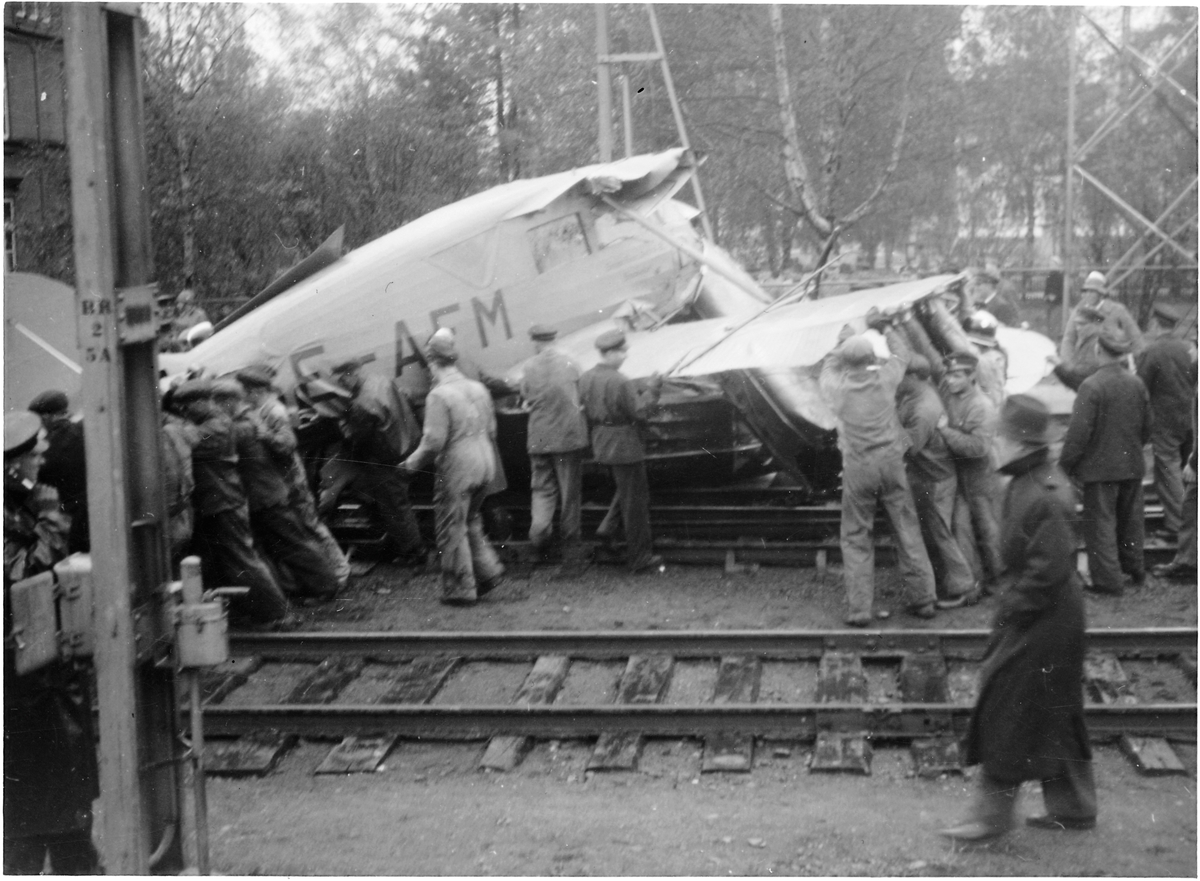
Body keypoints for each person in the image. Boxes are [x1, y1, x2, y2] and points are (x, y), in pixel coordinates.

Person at [940, 394, 1096, 842]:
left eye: (1000, 437)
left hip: (1044, 617)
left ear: (1019, 443)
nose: (995, 443)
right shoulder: (1031, 481)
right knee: (1056, 709)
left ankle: (991, 817)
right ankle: (1075, 807)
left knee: (1008, 706)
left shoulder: (1044, 493)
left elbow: (1047, 572)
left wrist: (1009, 608)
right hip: (1049, 613)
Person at [4, 411, 101, 874]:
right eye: (35, 455)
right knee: (35, 798)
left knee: (63, 792)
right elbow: (19, 578)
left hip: (44, 671)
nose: (43, 459)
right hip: (21, 675)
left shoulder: (20, 504)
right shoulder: (15, 513)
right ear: (13, 465)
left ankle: (75, 862)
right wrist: (51, 521)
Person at [818, 324, 938, 626]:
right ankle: (924, 599)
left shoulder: (836, 388)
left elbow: (829, 366)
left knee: (856, 536)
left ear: (846, 362)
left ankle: (860, 609)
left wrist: (842, 341)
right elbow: (902, 353)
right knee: (907, 530)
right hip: (891, 464)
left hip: (858, 468)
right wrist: (886, 327)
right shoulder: (886, 379)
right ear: (873, 358)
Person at [170, 380, 292, 626]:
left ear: (204, 401)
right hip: (216, 502)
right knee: (219, 560)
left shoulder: (217, 426)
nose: (184, 412)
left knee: (242, 558)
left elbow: (186, 438)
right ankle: (239, 608)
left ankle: (277, 612)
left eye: (187, 406)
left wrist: (166, 421)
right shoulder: (210, 422)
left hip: (225, 502)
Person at [212, 380, 343, 601]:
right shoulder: (252, 418)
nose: (217, 409)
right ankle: (312, 585)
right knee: (290, 543)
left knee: (294, 544)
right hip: (270, 492)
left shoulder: (241, 427)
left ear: (229, 401)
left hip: (265, 496)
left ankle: (325, 586)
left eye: (218, 404)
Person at [402, 329, 505, 605]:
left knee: (451, 526)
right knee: (470, 519)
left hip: (459, 465)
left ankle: (461, 589)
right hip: (486, 460)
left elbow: (434, 442)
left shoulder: (439, 395)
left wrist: (410, 464)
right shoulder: (478, 388)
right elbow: (492, 429)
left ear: (431, 362)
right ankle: (488, 571)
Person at [1059, 327, 1151, 596]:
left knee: (1101, 525)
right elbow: (1148, 426)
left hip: (1100, 470)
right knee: (1131, 522)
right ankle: (1135, 569)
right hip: (1132, 465)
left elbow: (1078, 434)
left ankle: (1108, 582)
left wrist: (1065, 467)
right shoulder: (1137, 383)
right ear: (1122, 354)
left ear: (1098, 350)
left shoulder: (1091, 386)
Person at [895, 355, 979, 609]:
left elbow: (910, 446)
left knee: (941, 532)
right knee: (936, 531)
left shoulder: (923, 408)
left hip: (936, 479)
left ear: (912, 377)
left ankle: (965, 586)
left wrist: (885, 435)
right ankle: (952, 582)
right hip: (931, 475)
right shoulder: (920, 393)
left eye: (900, 375)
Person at [578, 329, 665, 574]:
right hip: (624, 445)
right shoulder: (620, 380)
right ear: (610, 353)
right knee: (635, 501)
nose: (625, 356)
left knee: (628, 490)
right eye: (622, 352)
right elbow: (640, 412)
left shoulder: (586, 377)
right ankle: (640, 558)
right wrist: (652, 389)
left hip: (602, 441)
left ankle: (607, 528)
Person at [325, 357, 426, 565]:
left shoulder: (362, 403)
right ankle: (407, 545)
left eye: (342, 380)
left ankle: (414, 552)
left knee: (394, 506)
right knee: (400, 502)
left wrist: (343, 423)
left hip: (386, 459)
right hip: (407, 445)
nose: (343, 385)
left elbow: (356, 437)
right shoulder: (381, 380)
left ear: (352, 374)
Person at [519, 323, 590, 573]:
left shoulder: (528, 367)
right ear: (555, 338)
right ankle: (571, 547)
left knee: (541, 490)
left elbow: (526, 396)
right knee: (569, 493)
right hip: (568, 438)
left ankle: (538, 536)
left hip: (539, 439)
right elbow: (583, 393)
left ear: (535, 342)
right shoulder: (571, 361)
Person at [939, 350, 1004, 590]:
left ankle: (1001, 583)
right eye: (949, 375)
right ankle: (973, 584)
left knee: (990, 531)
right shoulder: (950, 396)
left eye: (957, 375)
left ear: (972, 376)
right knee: (962, 529)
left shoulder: (981, 406)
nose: (950, 380)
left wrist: (945, 431)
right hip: (961, 476)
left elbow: (977, 447)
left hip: (982, 476)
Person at [1135, 303, 1195, 543]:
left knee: (1168, 471)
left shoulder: (1152, 351)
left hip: (1165, 423)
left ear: (1154, 323)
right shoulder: (1188, 348)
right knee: (1189, 472)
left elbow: (1140, 388)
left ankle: (1179, 526)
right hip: (1190, 420)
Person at [27, 390, 89, 554]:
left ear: (46, 417)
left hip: (67, 523)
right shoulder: (86, 431)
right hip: (94, 513)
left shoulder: (42, 451)